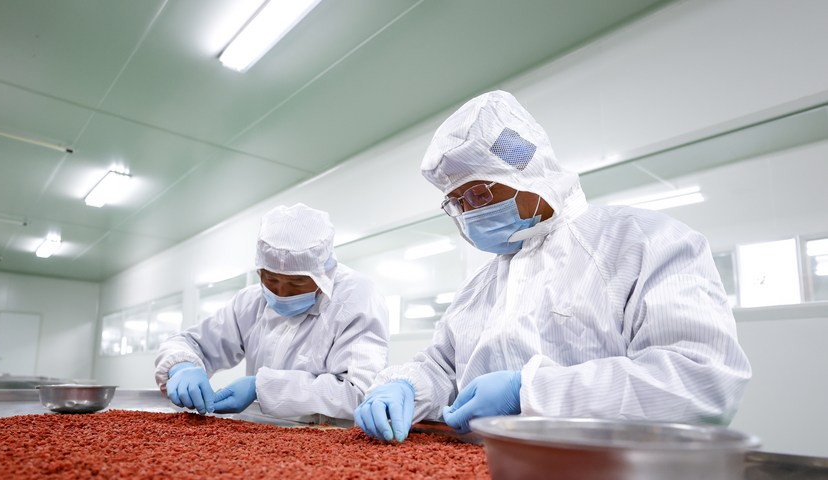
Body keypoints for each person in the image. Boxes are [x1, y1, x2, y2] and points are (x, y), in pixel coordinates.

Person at [355, 90, 751, 443]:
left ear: (525, 171)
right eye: (456, 203)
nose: (468, 214)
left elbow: (701, 383)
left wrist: (530, 391)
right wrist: (405, 386)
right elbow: (440, 367)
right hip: (484, 474)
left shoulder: (647, 242)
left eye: (478, 194)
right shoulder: (480, 286)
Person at [155, 203, 389, 420]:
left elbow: (357, 392)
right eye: (271, 279)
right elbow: (188, 343)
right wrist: (182, 366)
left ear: (323, 273)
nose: (281, 293)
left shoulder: (355, 298)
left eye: (297, 282)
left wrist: (262, 387)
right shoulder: (250, 302)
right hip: (254, 433)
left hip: (325, 435)